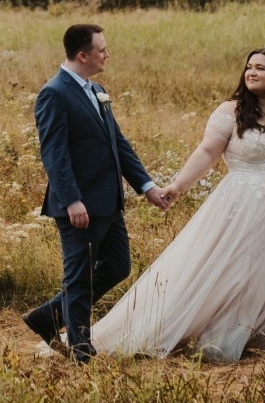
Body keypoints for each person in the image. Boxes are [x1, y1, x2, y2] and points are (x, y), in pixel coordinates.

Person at [85, 45, 265, 360]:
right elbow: (207, 153)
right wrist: (178, 185)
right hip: (245, 206)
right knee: (240, 272)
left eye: (260, 68)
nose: (251, 72)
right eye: (249, 67)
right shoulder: (232, 110)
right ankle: (220, 340)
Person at [23, 23, 173, 361]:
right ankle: (80, 349)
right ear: (83, 55)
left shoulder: (96, 89)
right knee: (78, 278)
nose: (107, 55)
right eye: (102, 50)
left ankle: (47, 316)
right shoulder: (54, 93)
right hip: (79, 206)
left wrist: (146, 187)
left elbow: (117, 143)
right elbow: (55, 154)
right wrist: (72, 199)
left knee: (119, 266)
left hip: (109, 201)